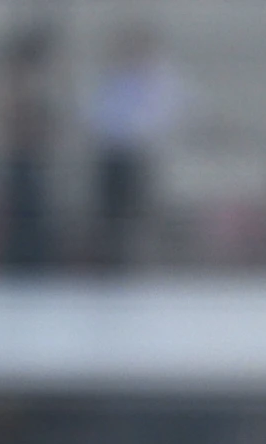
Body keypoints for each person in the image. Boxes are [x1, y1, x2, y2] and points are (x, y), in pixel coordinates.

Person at [84, 23, 183, 269]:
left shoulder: (160, 81)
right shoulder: (112, 79)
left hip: (141, 157)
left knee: (140, 216)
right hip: (112, 157)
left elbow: (165, 116)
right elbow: (96, 115)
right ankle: (112, 264)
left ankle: (142, 264)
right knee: (111, 219)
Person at [0, 18, 59, 272]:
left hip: (30, 162)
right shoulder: (14, 85)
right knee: (16, 225)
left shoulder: (27, 85)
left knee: (32, 225)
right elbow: (11, 125)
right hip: (17, 161)